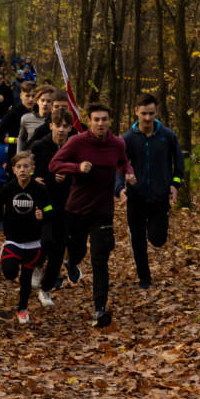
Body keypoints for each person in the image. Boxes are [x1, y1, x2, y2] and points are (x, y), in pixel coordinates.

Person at [49, 103, 134, 328]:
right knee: (76, 253)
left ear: (109, 121)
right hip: (76, 210)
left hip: (103, 212)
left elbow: (123, 163)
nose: (100, 123)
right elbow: (53, 164)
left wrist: (129, 174)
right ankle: (69, 261)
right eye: (96, 119)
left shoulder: (117, 144)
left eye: (104, 119)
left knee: (100, 259)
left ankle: (100, 310)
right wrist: (77, 168)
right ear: (91, 121)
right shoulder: (77, 142)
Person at [116, 93, 184, 289]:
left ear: (157, 112)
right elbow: (119, 166)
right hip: (135, 197)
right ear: (136, 111)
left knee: (157, 239)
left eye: (151, 113)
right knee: (138, 241)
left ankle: (151, 231)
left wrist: (175, 184)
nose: (147, 118)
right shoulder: (127, 138)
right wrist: (120, 188)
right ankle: (144, 278)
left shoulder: (168, 136)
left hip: (159, 197)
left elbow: (178, 164)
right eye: (144, 113)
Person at [0, 151, 50, 324]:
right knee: (10, 273)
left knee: (26, 280)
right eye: (19, 167)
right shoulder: (9, 188)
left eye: (26, 166)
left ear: (32, 169)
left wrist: (43, 216)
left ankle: (22, 310)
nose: (23, 170)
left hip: (33, 242)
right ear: (14, 170)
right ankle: (4, 254)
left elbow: (49, 209)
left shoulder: (39, 189)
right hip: (13, 240)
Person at [30, 108, 75, 307]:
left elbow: (83, 173)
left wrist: (68, 176)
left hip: (66, 206)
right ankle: (36, 265)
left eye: (65, 126)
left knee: (59, 248)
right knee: (45, 240)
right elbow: (20, 167)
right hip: (42, 204)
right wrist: (33, 178)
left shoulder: (74, 149)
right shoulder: (40, 146)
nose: (61, 130)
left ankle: (46, 289)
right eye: (58, 126)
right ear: (51, 126)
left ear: (70, 128)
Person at [19, 84, 55, 149]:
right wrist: (19, 156)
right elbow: (22, 139)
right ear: (37, 101)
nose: (45, 104)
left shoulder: (56, 121)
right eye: (42, 100)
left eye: (48, 101)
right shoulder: (26, 118)